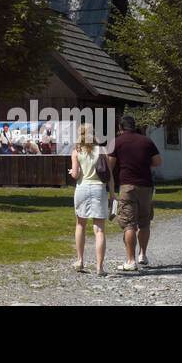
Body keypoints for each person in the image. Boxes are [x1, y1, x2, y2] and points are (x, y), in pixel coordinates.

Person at [107, 114, 161, 271]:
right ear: (135, 126)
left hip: (127, 186)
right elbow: (158, 162)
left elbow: (110, 165)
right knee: (144, 221)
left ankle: (130, 261)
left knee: (128, 223)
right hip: (146, 185)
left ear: (120, 128)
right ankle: (142, 254)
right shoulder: (147, 141)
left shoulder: (116, 142)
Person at [68, 122, 113, 274]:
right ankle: (100, 267)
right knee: (99, 229)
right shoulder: (102, 150)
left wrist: (72, 172)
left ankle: (80, 260)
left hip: (82, 188)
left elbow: (75, 175)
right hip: (98, 188)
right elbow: (109, 175)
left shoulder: (76, 151)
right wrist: (112, 195)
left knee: (80, 224)